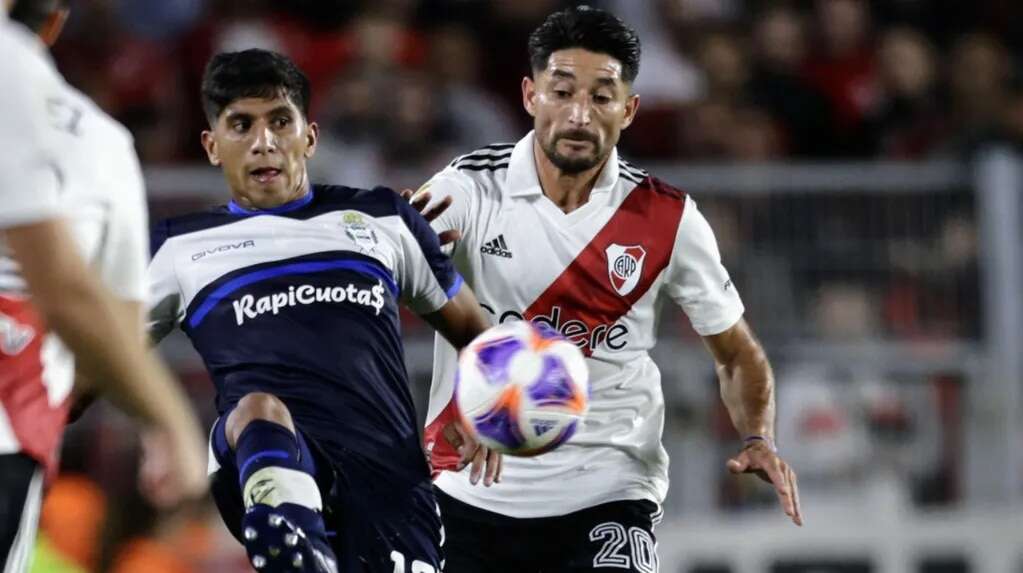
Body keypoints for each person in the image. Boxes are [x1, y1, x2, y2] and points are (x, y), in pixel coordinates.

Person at [418, 6, 803, 571]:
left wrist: (757, 438)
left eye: (601, 97)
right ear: (530, 96)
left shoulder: (667, 218)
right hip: (469, 490)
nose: (579, 115)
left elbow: (736, 354)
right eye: (561, 93)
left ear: (629, 109)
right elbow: (391, 269)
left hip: (608, 491)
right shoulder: (469, 188)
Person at [147, 48, 496, 573]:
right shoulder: (178, 247)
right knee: (256, 410)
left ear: (309, 137)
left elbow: (476, 334)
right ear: (212, 145)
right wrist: (157, 430)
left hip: (388, 485)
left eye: (279, 122)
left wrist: (486, 409)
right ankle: (295, 537)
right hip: (265, 459)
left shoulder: (385, 219)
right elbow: (97, 357)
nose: (264, 142)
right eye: (241, 125)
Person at [0, 1, 207, 571]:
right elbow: (85, 305)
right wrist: (168, 420)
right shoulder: (100, 141)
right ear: (55, 24)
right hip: (12, 424)